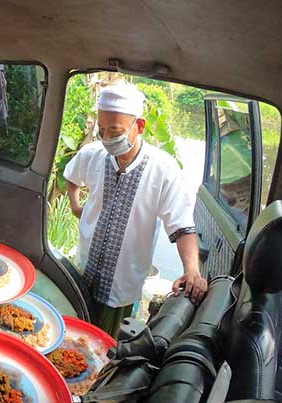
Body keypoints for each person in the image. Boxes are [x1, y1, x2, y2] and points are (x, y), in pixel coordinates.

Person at [64, 82, 207, 336]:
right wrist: (77, 207)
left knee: (104, 347)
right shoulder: (92, 155)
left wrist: (192, 270)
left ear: (139, 126)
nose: (107, 138)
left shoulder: (163, 170)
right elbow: (72, 176)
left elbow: (183, 227)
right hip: (84, 271)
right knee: (73, 333)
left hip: (121, 284)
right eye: (102, 130)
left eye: (115, 131)